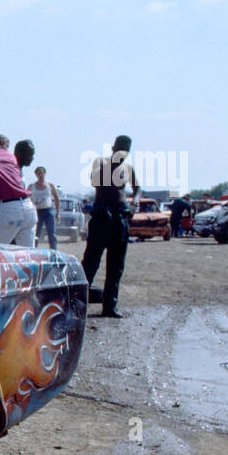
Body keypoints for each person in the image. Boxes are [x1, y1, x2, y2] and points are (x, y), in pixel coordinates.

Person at [82, 135, 141, 318]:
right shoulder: (100, 166)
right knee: (91, 262)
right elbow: (95, 182)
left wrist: (135, 203)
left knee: (116, 265)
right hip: (102, 216)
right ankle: (77, 303)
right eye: (120, 149)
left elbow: (137, 188)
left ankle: (110, 306)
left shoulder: (128, 169)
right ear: (113, 148)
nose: (122, 154)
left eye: (126, 151)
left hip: (120, 217)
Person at [29, 166, 61, 250]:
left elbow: (56, 198)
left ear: (44, 173)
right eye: (38, 172)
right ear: (35, 174)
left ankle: (54, 252)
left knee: (52, 233)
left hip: (48, 210)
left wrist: (58, 213)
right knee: (36, 233)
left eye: (42, 172)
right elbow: (26, 198)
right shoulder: (32, 186)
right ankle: (34, 251)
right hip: (36, 211)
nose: (40, 174)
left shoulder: (50, 185)